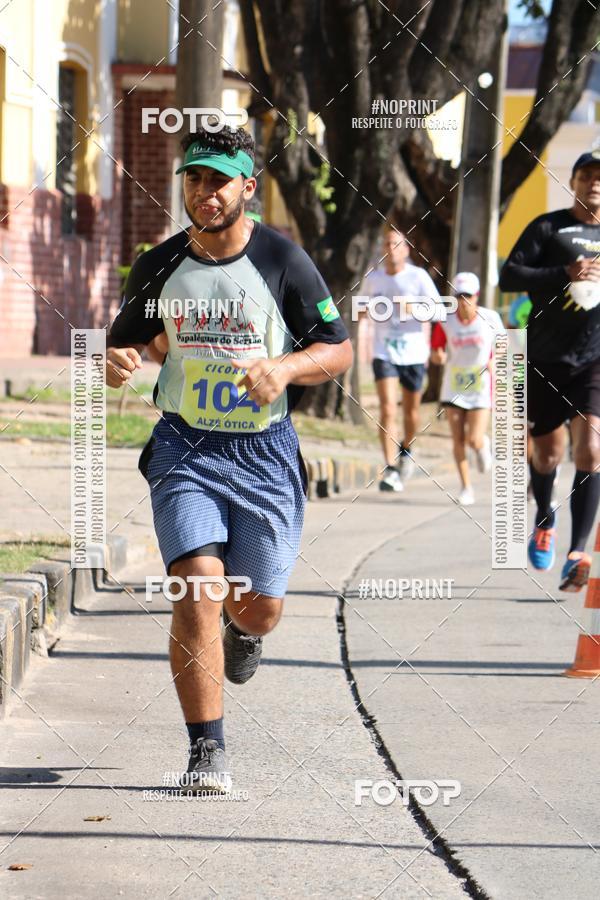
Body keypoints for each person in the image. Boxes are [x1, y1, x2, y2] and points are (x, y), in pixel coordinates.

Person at [105, 125, 353, 791]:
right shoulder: (158, 264)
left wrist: (286, 368)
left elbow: (338, 347)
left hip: (263, 451)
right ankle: (206, 749)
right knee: (196, 588)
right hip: (184, 445)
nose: (204, 191)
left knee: (256, 608)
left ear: (249, 186)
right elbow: (124, 341)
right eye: (194, 178)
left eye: (219, 180)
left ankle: (245, 633)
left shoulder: (283, 259)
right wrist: (117, 360)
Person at [499, 150, 600, 592]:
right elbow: (509, 276)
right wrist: (565, 272)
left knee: (592, 449)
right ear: (573, 181)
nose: (595, 183)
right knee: (546, 457)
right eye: (587, 175)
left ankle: (578, 553)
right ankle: (544, 518)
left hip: (593, 359)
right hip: (544, 359)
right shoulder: (547, 227)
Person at [362, 226, 441, 491]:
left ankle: (407, 449)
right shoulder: (374, 279)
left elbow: (438, 311)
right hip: (383, 351)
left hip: (413, 353)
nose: (391, 249)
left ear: (406, 250)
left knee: (411, 413)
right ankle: (390, 468)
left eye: (396, 244)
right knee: (387, 409)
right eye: (387, 244)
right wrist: (367, 311)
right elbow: (361, 308)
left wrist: (414, 309)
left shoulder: (418, 277)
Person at [430, 272, 504, 506]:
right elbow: (436, 349)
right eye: (459, 296)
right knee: (458, 439)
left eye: (468, 296)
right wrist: (438, 356)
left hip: (481, 386)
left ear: (476, 296)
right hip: (454, 386)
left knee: (474, 439)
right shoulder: (446, 320)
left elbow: (504, 345)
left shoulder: (490, 318)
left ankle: (482, 445)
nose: (463, 301)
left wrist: (495, 360)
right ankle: (466, 487)